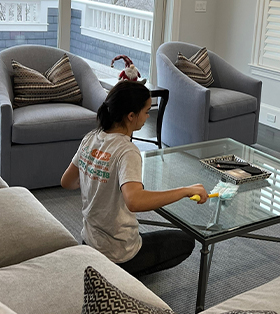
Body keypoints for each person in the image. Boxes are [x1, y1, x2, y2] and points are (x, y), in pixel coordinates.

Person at [61, 80, 209, 277]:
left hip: (90, 242)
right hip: (118, 253)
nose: (148, 116)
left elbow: (67, 182)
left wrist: (96, 177)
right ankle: (118, 276)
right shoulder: (127, 150)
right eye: (147, 111)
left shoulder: (91, 137)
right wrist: (186, 190)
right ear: (131, 116)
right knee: (186, 241)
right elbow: (135, 201)